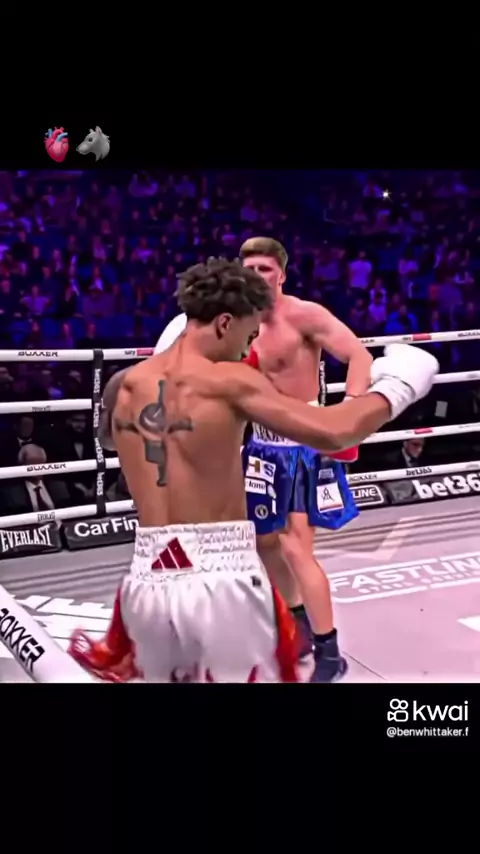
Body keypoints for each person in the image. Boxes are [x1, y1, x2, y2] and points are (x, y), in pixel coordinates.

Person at [69, 258, 439, 683]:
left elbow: (111, 440)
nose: (249, 351)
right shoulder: (230, 381)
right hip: (219, 579)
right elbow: (335, 433)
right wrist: (397, 387)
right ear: (224, 323)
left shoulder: (125, 385)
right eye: (248, 336)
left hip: (146, 580)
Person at [238, 237, 376, 681]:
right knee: (265, 543)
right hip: (260, 447)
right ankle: (296, 626)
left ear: (281, 274)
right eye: (249, 269)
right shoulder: (236, 321)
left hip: (301, 444)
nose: (256, 276)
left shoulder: (304, 315)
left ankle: (330, 654)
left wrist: (349, 411)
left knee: (297, 548)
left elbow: (358, 355)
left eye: (264, 269)